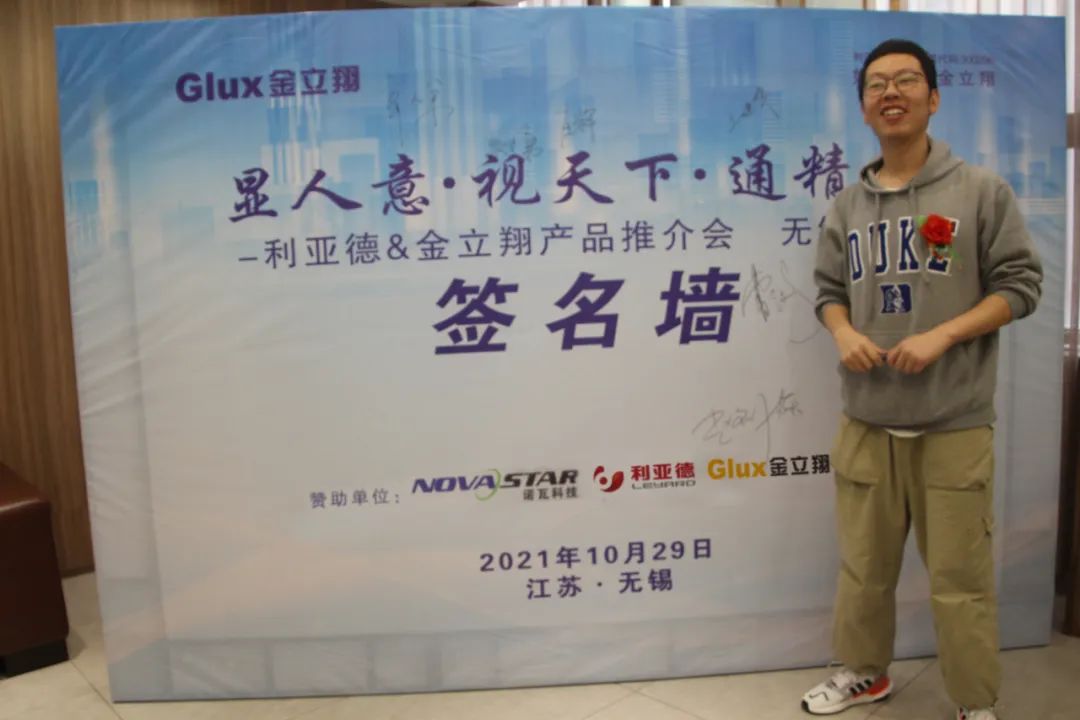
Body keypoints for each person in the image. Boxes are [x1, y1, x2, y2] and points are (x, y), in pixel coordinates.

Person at [802, 38, 1043, 720]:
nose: (891, 93)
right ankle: (864, 673)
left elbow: (1021, 286)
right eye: (877, 84)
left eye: (906, 80)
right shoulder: (847, 205)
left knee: (961, 579)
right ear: (863, 108)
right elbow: (827, 292)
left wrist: (944, 334)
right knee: (863, 570)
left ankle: (973, 701)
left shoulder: (981, 191)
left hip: (953, 423)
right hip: (867, 421)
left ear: (933, 98)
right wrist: (843, 332)